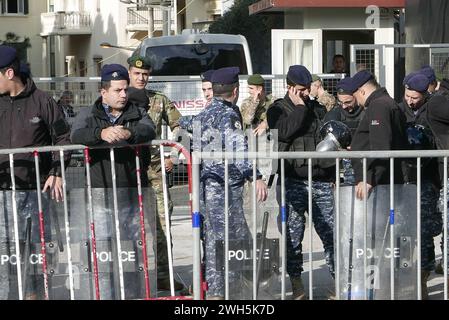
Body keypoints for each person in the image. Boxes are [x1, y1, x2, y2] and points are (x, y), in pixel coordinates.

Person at [71, 63, 156, 299]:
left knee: (131, 256)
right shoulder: (89, 113)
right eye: (117, 90)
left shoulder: (136, 111)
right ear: (103, 91)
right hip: (100, 196)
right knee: (103, 255)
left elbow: (150, 129)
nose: (123, 94)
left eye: (125, 89)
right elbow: (76, 134)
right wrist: (101, 134)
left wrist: (130, 133)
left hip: (130, 194)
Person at [183, 66, 268, 299]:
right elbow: (238, 149)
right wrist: (255, 176)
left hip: (207, 187)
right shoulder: (229, 115)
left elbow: (187, 127)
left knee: (212, 241)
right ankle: (232, 292)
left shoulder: (205, 113)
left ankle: (216, 291)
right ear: (236, 90)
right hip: (225, 188)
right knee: (233, 241)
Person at [0, 45, 71, 299]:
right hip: (3, 193)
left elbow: (63, 138)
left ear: (9, 73)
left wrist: (57, 171)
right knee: (6, 253)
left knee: (38, 252)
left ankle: (35, 295)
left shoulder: (42, 101)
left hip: (36, 192)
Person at [266, 65, 335, 300]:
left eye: (307, 89)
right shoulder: (277, 110)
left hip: (320, 180)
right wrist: (298, 107)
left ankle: (338, 281)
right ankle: (296, 284)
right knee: (293, 237)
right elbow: (284, 133)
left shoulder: (317, 108)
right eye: (301, 90)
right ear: (290, 88)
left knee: (330, 232)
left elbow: (327, 138)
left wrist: (333, 175)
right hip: (292, 181)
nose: (306, 93)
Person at [126, 55, 185, 292]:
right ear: (129, 72)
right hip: (128, 171)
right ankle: (133, 275)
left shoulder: (158, 100)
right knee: (129, 225)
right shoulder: (121, 97)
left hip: (155, 170)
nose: (141, 78)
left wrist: (173, 154)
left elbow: (180, 128)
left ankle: (163, 275)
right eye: (137, 73)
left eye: (145, 74)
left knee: (161, 225)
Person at [398, 72, 443, 299]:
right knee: (405, 231)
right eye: (407, 96)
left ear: (425, 95)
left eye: (415, 97)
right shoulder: (398, 110)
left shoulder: (432, 112)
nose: (410, 101)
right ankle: (408, 277)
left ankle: (423, 276)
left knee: (425, 230)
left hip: (426, 177)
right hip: (404, 178)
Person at [347, 70, 408, 200]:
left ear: (362, 91)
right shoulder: (386, 102)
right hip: (385, 178)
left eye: (355, 95)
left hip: (380, 182)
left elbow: (381, 146)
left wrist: (369, 179)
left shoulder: (378, 106)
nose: (356, 102)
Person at [324, 77, 365, 185]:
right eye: (340, 102)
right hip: (340, 170)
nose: (344, 106)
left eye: (348, 102)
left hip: (363, 168)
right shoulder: (334, 114)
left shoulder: (367, 113)